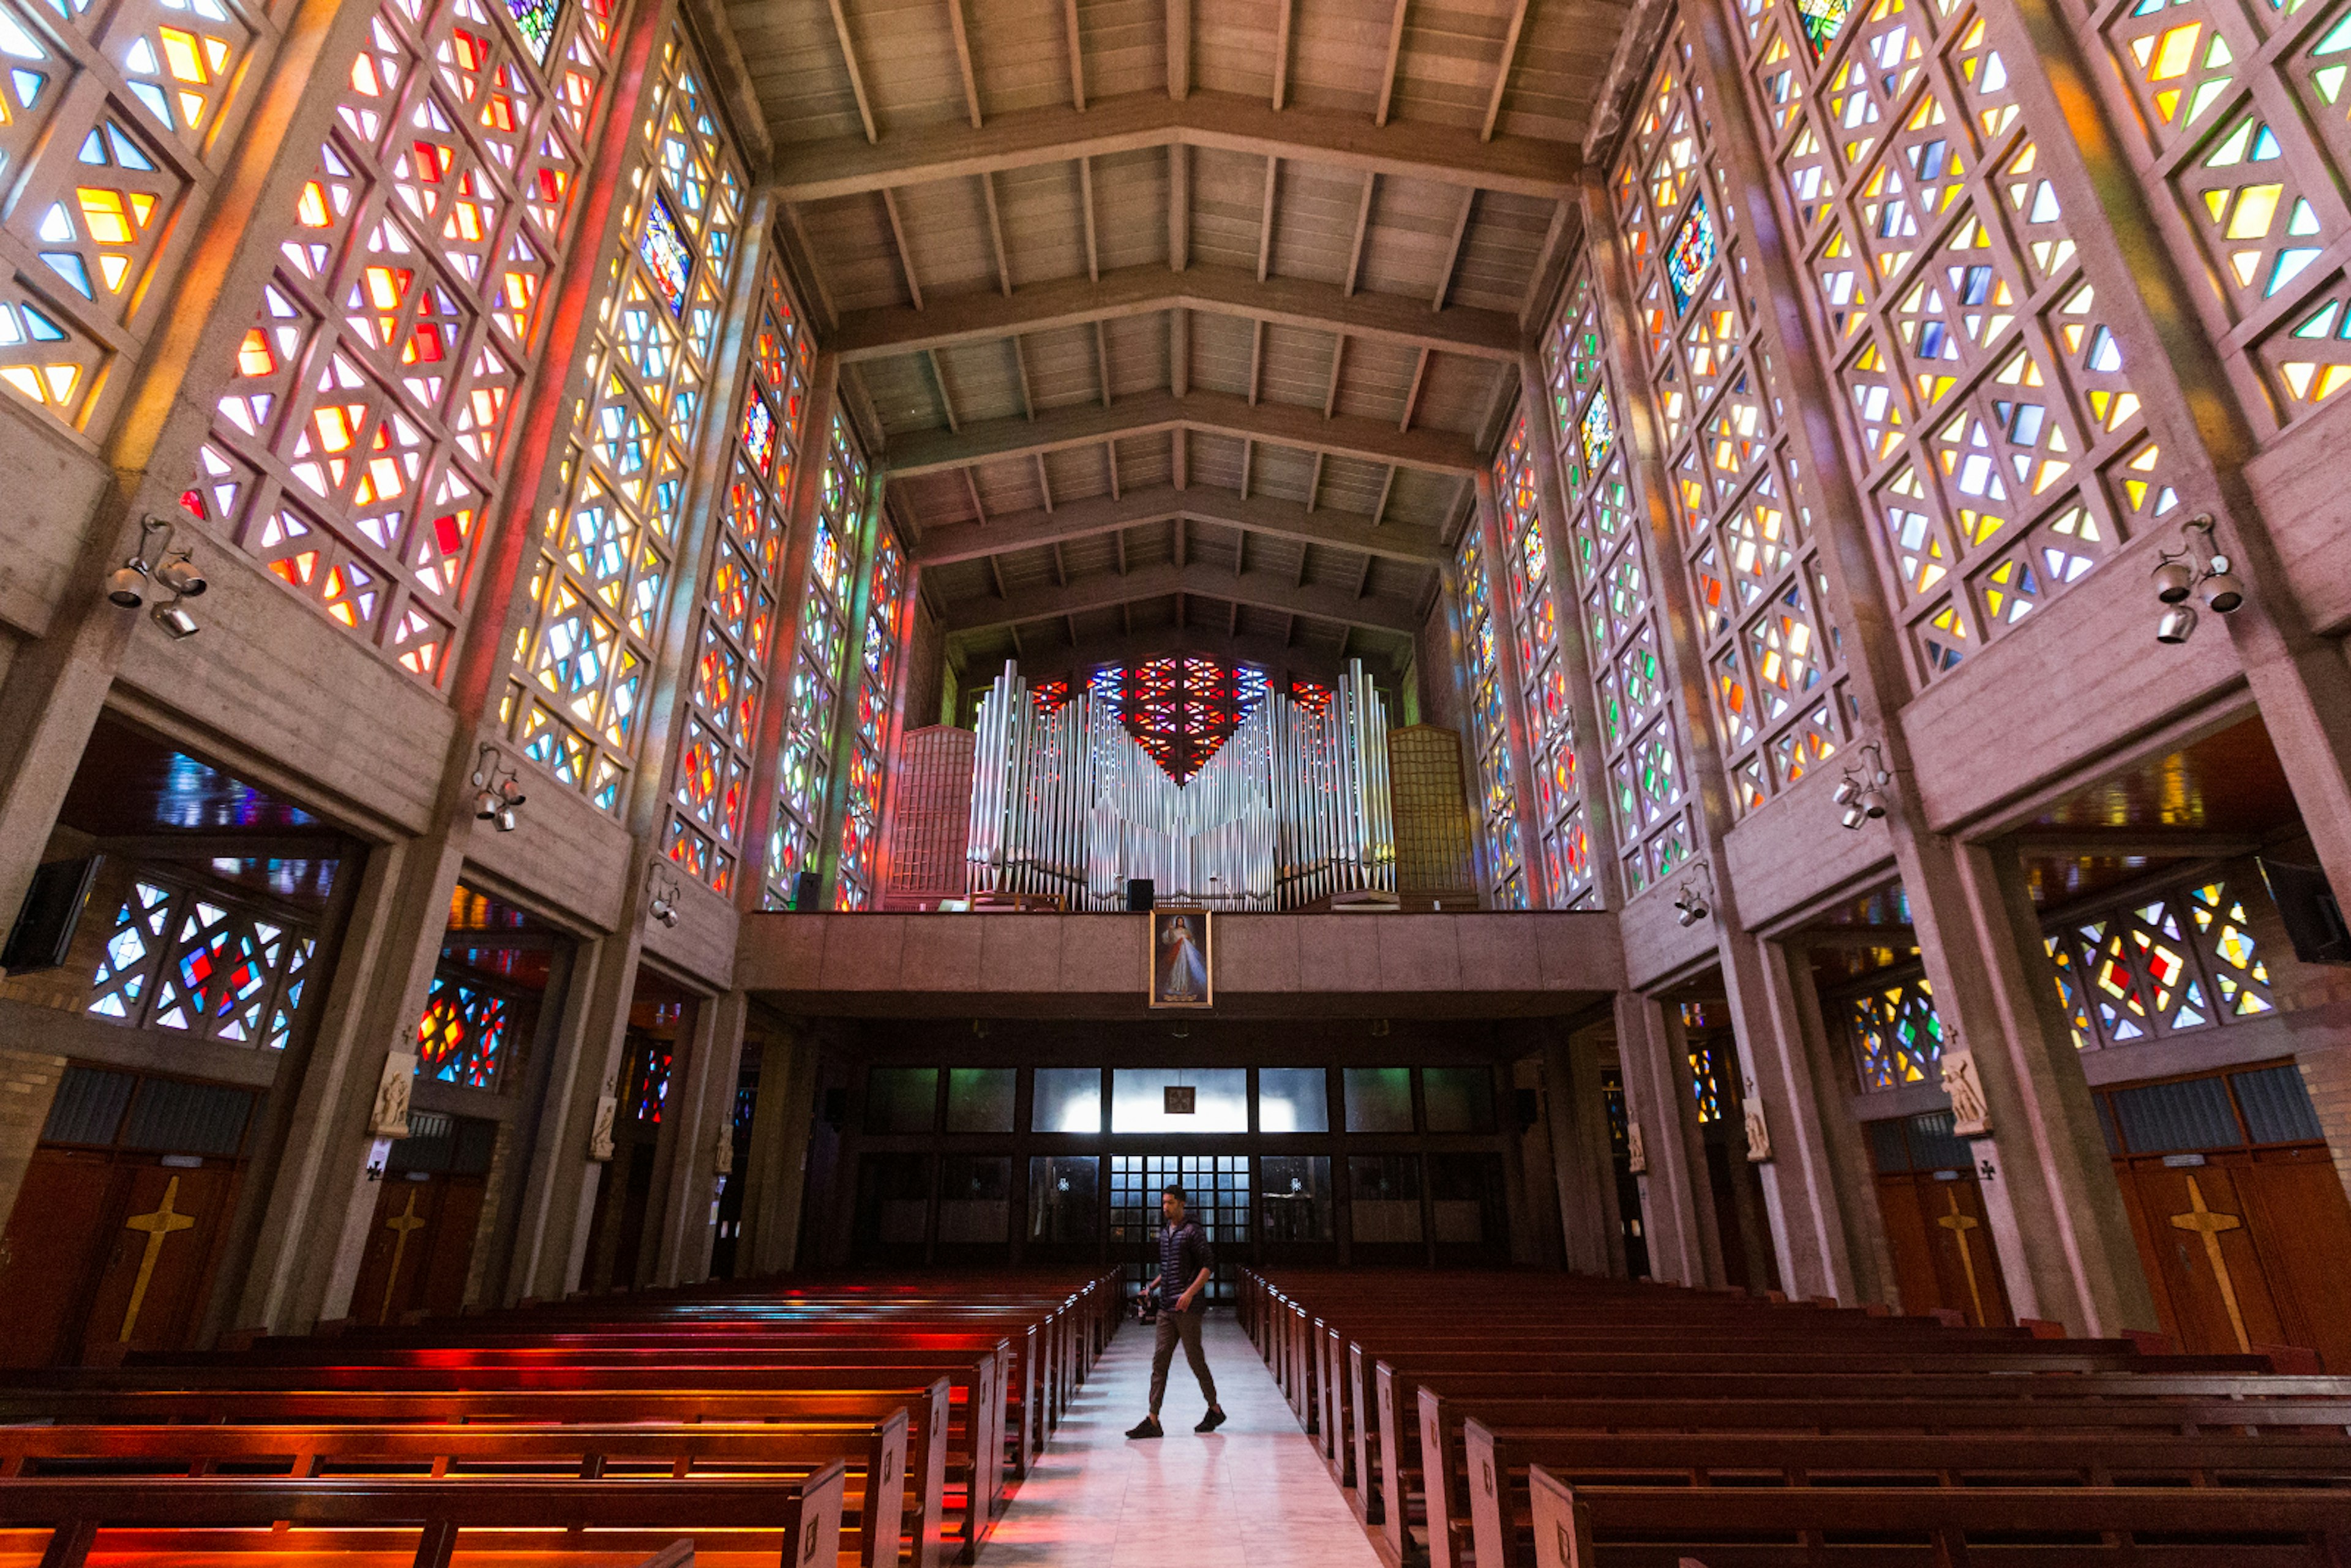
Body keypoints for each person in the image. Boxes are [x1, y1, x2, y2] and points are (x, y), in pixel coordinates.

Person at [1127, 1183, 1224, 1438]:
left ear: (1182, 1204)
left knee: (1195, 1360)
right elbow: (1168, 1268)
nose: (1165, 1207)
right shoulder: (1165, 1232)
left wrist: (1189, 1294)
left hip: (1188, 1309)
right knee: (1160, 1361)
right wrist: (1152, 1288)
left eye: (1170, 1203)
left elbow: (1207, 1266)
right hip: (1167, 1307)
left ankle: (1214, 1409)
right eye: (1164, 1203)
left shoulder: (1193, 1232)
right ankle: (1153, 1419)